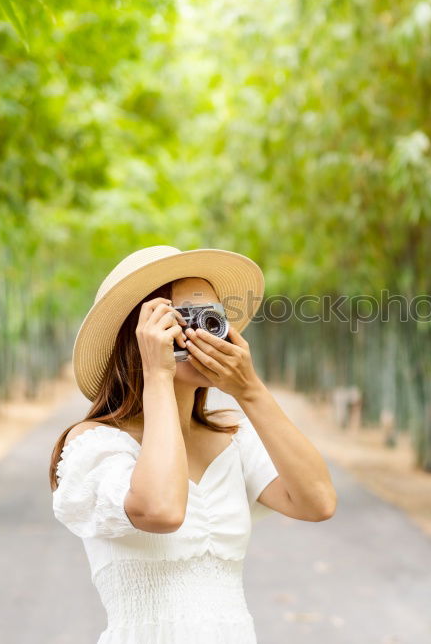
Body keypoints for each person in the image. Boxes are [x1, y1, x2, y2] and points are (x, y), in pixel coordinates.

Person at [48, 245, 337, 643]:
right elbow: (162, 509)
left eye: (212, 317)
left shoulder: (231, 439)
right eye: (180, 319)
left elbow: (317, 502)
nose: (201, 331)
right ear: (139, 336)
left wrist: (249, 390)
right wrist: (159, 375)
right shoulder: (96, 445)